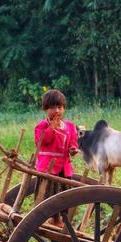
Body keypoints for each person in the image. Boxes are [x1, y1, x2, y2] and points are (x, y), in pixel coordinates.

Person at [34, 89, 78, 225]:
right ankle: (53, 222)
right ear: (45, 109)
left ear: (64, 108)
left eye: (59, 107)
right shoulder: (41, 126)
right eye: (52, 108)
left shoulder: (69, 126)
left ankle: (61, 223)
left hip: (64, 170)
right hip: (48, 168)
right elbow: (42, 141)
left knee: (64, 202)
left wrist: (73, 149)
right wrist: (52, 127)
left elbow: (73, 142)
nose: (56, 111)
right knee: (48, 200)